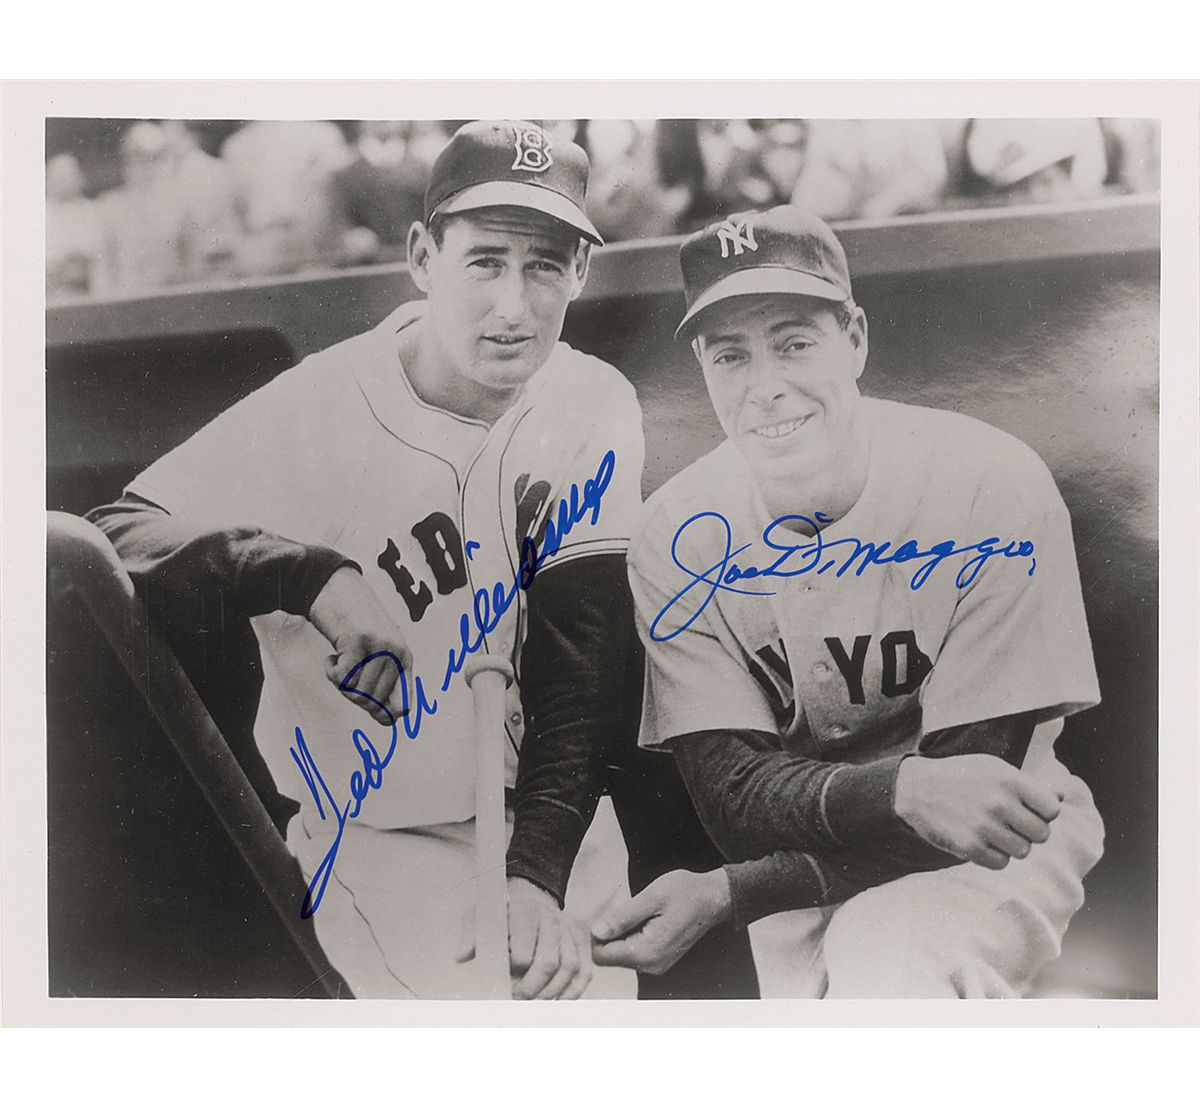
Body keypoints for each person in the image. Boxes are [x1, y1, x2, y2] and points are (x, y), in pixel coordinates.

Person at [86, 120, 754, 1001]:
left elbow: (580, 663)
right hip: (380, 842)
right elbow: (117, 531)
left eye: (543, 266)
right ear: (422, 257)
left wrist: (535, 877)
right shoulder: (324, 403)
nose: (513, 306)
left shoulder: (592, 402)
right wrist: (310, 576)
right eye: (485, 262)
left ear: (582, 272)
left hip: (557, 830)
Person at [591, 204, 1105, 998]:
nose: (765, 387)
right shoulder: (677, 531)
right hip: (795, 869)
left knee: (883, 968)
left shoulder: (986, 483)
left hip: (1006, 842)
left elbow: (974, 802)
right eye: (730, 356)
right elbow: (734, 800)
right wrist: (901, 787)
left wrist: (732, 892)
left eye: (794, 343)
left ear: (855, 338)